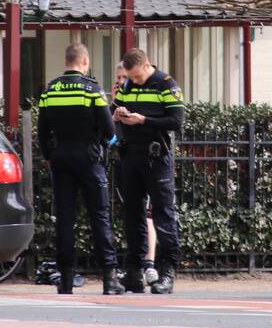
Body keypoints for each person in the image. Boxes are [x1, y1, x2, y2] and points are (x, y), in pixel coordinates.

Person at [38, 43, 124, 296]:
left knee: (65, 219)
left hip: (61, 158)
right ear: (84, 61)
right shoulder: (93, 89)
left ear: (67, 61)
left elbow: (42, 132)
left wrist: (49, 156)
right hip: (89, 159)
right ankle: (109, 279)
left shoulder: (49, 90)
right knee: (100, 216)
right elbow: (109, 131)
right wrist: (110, 143)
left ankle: (65, 281)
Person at [113, 48, 184, 294]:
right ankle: (134, 273)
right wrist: (119, 113)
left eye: (136, 76)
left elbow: (176, 121)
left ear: (147, 66)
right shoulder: (129, 85)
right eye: (129, 77)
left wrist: (144, 120)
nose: (133, 81)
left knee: (163, 215)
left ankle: (167, 274)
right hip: (131, 155)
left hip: (157, 157)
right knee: (132, 215)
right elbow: (116, 107)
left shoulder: (166, 85)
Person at [111, 62, 159, 287]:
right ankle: (136, 266)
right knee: (132, 214)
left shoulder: (140, 96)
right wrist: (113, 110)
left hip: (146, 160)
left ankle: (148, 263)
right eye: (119, 77)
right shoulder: (120, 99)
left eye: (124, 77)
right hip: (125, 158)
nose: (121, 81)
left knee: (146, 214)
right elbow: (110, 132)